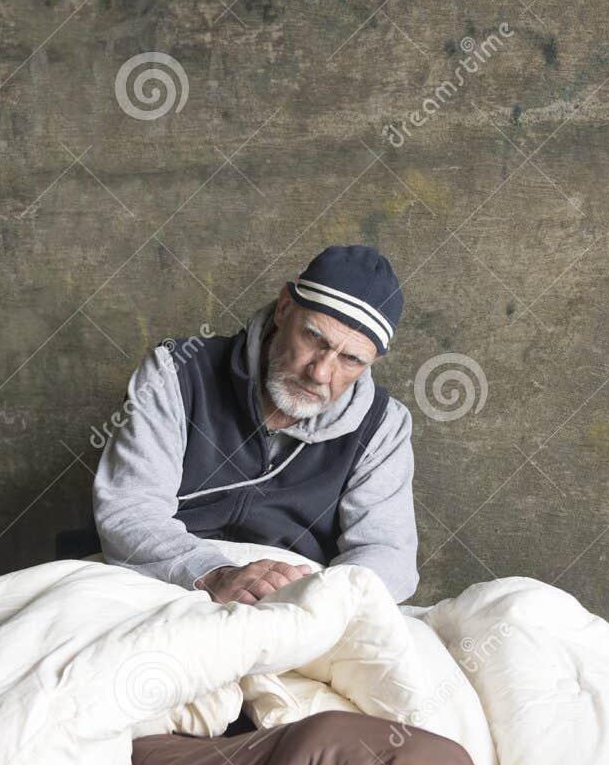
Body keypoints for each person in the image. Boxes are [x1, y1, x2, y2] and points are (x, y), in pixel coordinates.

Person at [91, 244, 418, 604]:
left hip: (298, 595)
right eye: (313, 338)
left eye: (351, 359)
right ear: (284, 308)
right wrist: (215, 575)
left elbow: (389, 555)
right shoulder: (176, 371)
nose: (321, 372)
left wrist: (315, 600)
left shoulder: (384, 425)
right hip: (170, 580)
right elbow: (130, 508)